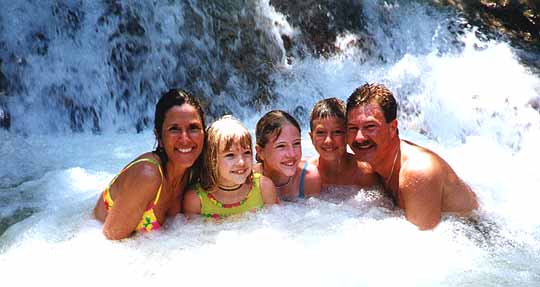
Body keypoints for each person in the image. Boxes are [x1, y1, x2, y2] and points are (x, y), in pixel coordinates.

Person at [346, 83, 479, 230]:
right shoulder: (372, 161)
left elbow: (424, 245)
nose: (359, 137)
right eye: (352, 128)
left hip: (478, 235)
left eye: (370, 127)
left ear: (392, 128)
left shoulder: (418, 171)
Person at [93, 89, 205, 239]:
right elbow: (110, 241)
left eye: (193, 128)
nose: (185, 139)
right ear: (159, 137)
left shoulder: (195, 169)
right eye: (174, 129)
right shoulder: (147, 175)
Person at [183, 115, 279, 219]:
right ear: (211, 160)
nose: (241, 162)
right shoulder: (196, 200)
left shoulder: (264, 188)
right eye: (230, 155)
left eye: (247, 152)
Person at [308, 98, 379, 189]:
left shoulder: (365, 174)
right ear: (311, 137)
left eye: (337, 132)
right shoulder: (304, 174)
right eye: (321, 133)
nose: (328, 140)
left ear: (348, 135)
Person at [254, 110, 321, 201]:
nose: (292, 154)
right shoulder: (248, 181)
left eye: (296, 143)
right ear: (260, 152)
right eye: (281, 146)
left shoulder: (308, 178)